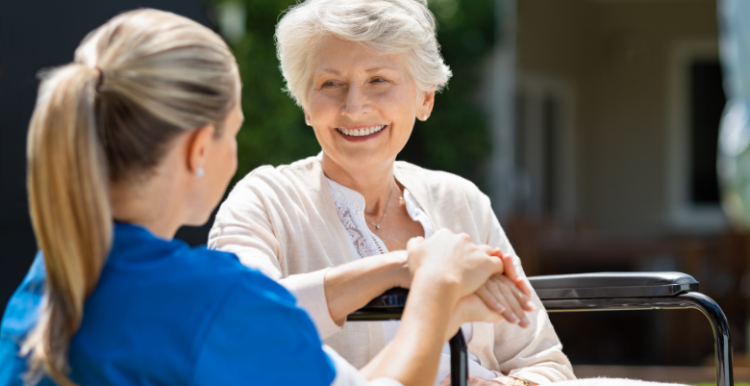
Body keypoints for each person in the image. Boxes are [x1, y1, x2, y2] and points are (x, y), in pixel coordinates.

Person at [0, 9, 516, 386]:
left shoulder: (50, 280)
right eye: (234, 132)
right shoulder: (214, 302)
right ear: (201, 147)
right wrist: (436, 288)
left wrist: (404, 274)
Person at [206, 1, 692, 386]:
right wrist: (407, 267)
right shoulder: (264, 199)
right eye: (331, 84)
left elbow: (540, 357)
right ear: (306, 104)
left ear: (424, 99)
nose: (354, 107)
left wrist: (514, 385)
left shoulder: (459, 200)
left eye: (379, 80)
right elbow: (243, 318)